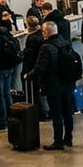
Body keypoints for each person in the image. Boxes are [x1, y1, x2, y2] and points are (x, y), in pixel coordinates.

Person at [29, 21, 76, 150]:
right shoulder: (65, 43)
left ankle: (58, 141)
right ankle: (68, 138)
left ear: (46, 32)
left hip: (53, 86)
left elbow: (40, 67)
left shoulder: (46, 47)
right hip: (67, 83)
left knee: (56, 114)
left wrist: (30, 75)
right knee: (67, 112)